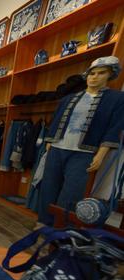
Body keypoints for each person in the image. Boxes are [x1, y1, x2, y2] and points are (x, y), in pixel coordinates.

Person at [38, 56, 124, 225]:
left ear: (110, 75)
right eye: (92, 73)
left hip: (84, 153)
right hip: (57, 148)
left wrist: (100, 155)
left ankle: (61, 228)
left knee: (72, 192)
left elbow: (114, 128)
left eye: (101, 73)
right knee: (48, 187)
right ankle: (44, 221)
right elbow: (56, 120)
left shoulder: (117, 99)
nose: (95, 77)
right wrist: (49, 142)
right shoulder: (69, 98)